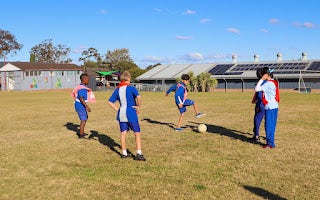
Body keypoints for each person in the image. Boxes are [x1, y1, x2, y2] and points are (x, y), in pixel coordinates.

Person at [108, 71, 146, 161]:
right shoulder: (131, 88)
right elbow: (139, 97)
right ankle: (139, 153)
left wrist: (118, 109)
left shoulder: (117, 89)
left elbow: (110, 102)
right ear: (128, 79)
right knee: (137, 133)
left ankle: (124, 153)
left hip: (122, 113)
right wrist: (138, 106)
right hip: (131, 112)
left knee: (123, 133)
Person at [255, 67, 280, 148]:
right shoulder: (273, 81)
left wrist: (262, 79)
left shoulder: (268, 83)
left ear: (265, 75)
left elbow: (257, 88)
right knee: (272, 125)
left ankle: (270, 143)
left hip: (269, 107)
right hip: (275, 106)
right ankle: (271, 142)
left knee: (268, 125)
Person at [71, 73, 96, 139]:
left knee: (85, 118)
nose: (88, 81)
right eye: (88, 80)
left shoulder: (81, 86)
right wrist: (86, 106)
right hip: (80, 105)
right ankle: (81, 134)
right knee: (83, 120)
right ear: (84, 79)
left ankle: (82, 132)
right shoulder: (82, 89)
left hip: (80, 105)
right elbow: (81, 98)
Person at [249, 68, 266, 142]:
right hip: (267, 104)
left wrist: (258, 103)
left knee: (257, 119)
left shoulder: (262, 82)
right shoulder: (268, 81)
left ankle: (256, 135)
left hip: (261, 104)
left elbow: (259, 95)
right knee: (266, 120)